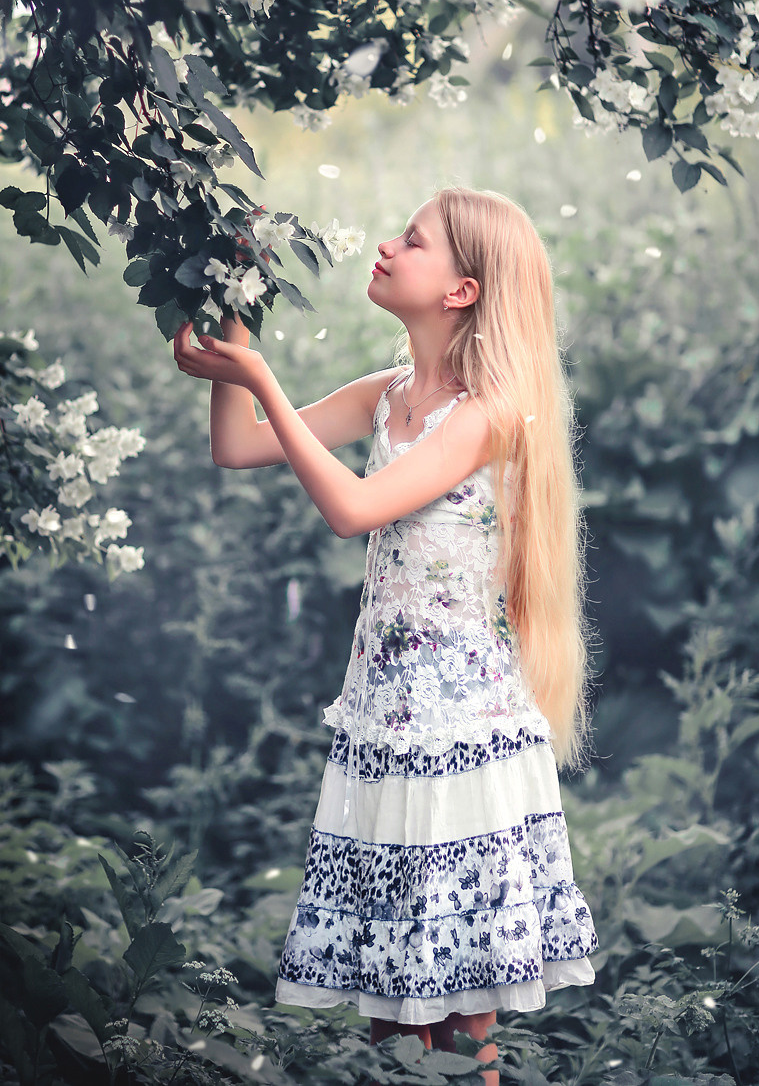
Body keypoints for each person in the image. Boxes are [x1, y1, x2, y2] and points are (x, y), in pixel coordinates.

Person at [172, 186, 599, 1083]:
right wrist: (233, 335)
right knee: (391, 1016)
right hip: (384, 728)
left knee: (463, 1024)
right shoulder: (387, 394)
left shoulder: (485, 414)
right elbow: (239, 446)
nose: (387, 247)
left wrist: (263, 379)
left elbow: (352, 509)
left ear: (460, 291)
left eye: (413, 241)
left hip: (459, 739)